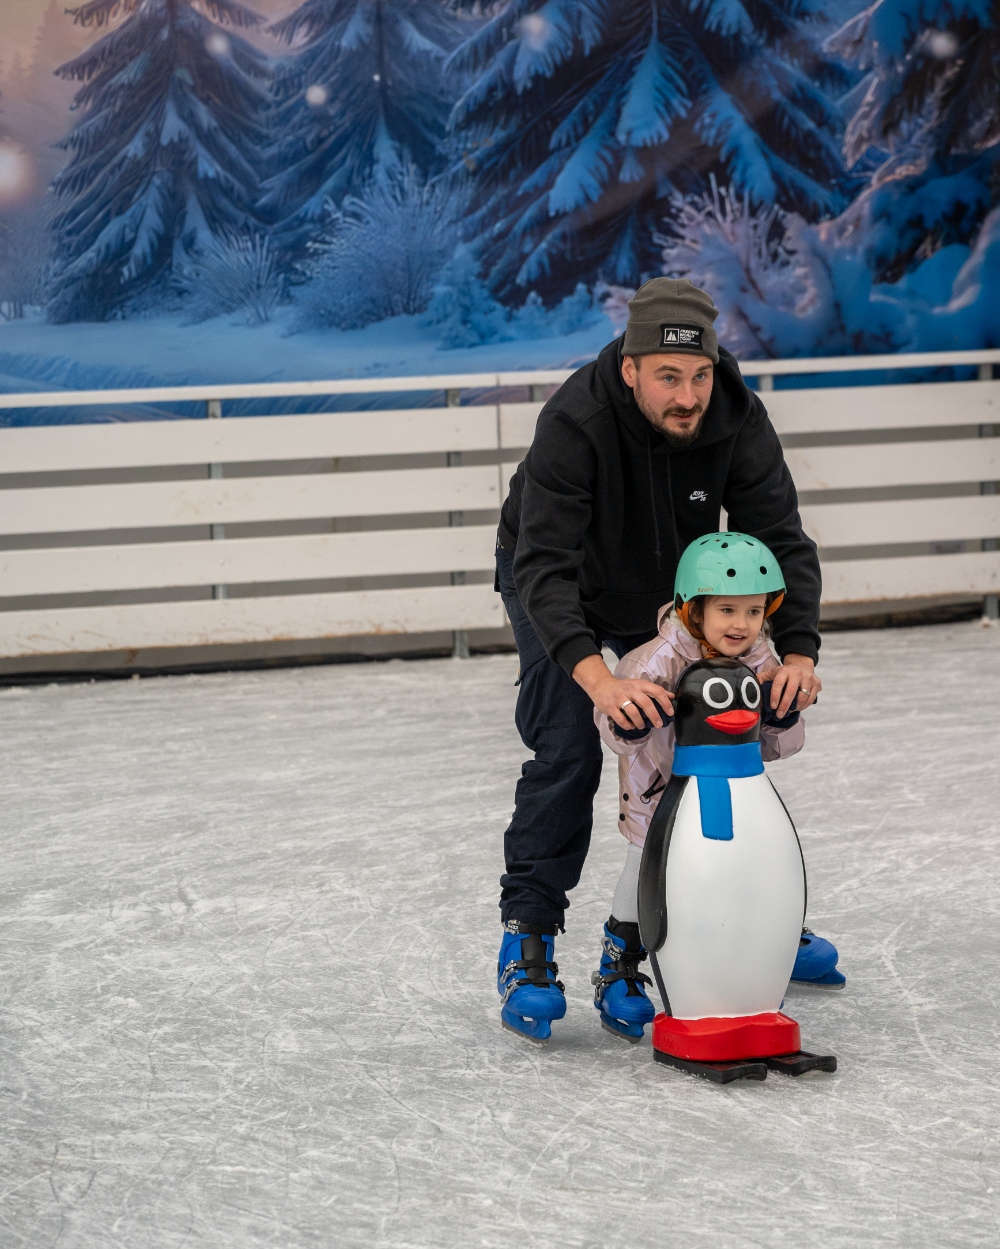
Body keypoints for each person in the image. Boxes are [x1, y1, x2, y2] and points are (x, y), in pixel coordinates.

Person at [495, 278, 841, 1046]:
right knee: (568, 745)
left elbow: (781, 540)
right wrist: (600, 680)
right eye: (668, 377)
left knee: (716, 726)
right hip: (561, 582)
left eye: (701, 375)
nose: (688, 397)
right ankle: (529, 935)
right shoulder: (576, 422)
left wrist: (798, 653)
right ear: (630, 369)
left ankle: (741, 918)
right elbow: (543, 566)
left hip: (670, 589)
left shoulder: (734, 416)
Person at [589, 531, 842, 1044]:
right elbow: (614, 732)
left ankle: (755, 953)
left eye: (754, 611)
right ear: (694, 608)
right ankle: (619, 963)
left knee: (746, 865)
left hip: (733, 791)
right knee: (647, 872)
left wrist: (781, 715)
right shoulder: (652, 661)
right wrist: (632, 721)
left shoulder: (762, 659)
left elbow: (779, 746)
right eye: (727, 610)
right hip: (661, 796)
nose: (741, 625)